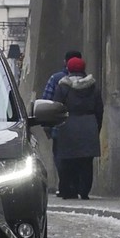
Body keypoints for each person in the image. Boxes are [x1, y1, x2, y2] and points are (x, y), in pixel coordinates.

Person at [52, 57, 103, 200]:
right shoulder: (93, 87)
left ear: (68, 69)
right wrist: (96, 126)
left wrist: (55, 126)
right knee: (86, 161)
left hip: (67, 125)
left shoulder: (63, 87)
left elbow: (56, 107)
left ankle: (69, 190)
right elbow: (99, 109)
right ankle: (84, 190)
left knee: (67, 161)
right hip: (89, 125)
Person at [42, 50, 82, 197]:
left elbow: (47, 101)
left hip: (61, 127)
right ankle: (77, 187)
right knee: (80, 159)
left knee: (61, 158)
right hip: (83, 129)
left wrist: (47, 125)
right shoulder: (89, 81)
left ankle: (65, 187)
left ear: (66, 62)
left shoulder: (56, 79)